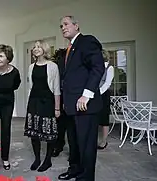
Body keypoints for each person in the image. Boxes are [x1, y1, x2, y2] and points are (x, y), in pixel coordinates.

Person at [58, 16, 105, 181]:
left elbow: (98, 68)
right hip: (71, 106)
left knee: (86, 144)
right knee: (74, 142)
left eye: (66, 24)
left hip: (86, 105)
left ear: (76, 25)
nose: (63, 27)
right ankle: (75, 170)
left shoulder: (87, 41)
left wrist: (87, 94)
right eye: (61, 26)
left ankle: (86, 177)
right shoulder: (69, 49)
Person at [24, 40, 61, 172]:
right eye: (34, 47)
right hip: (34, 101)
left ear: (44, 49)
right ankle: (37, 159)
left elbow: (56, 88)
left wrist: (57, 108)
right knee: (34, 132)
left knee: (48, 132)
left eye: (39, 46)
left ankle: (48, 160)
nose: (35, 48)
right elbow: (31, 87)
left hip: (48, 101)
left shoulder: (52, 66)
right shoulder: (31, 67)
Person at [52, 48, 68, 157]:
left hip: (63, 95)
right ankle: (59, 144)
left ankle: (59, 144)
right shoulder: (58, 65)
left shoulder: (59, 65)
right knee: (61, 122)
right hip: (61, 94)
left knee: (61, 123)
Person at [97, 49, 114, 149]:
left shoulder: (109, 68)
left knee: (104, 119)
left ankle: (104, 141)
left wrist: (98, 93)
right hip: (93, 94)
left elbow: (107, 83)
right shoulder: (95, 67)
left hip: (103, 95)